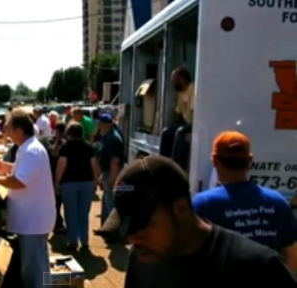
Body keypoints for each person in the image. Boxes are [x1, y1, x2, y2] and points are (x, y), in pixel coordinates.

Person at [115, 156, 297, 288]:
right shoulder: (143, 257)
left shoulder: (259, 269)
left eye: (143, 224)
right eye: (128, 228)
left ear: (180, 209)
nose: (133, 239)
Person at [193, 131, 297, 269]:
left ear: (214, 160)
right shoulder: (278, 202)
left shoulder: (202, 204)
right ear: (250, 160)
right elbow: (292, 254)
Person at [0, 108, 55, 288]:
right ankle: (50, 284)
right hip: (33, 219)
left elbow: (19, 181)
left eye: (8, 128)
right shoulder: (28, 148)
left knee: (33, 270)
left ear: (19, 130)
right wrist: (1, 166)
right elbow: (20, 169)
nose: (6, 132)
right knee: (38, 264)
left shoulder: (30, 150)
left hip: (32, 220)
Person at [55, 122, 99, 250]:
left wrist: (57, 182)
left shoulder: (65, 147)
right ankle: (84, 241)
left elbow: (61, 165)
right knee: (84, 213)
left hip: (69, 184)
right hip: (87, 183)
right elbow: (94, 165)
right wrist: (96, 181)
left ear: (68, 134)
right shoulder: (89, 147)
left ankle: (73, 241)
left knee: (70, 213)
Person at [159, 67, 194, 169]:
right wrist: (172, 127)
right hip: (185, 122)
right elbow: (178, 112)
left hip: (194, 122)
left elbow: (194, 112)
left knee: (180, 132)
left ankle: (176, 166)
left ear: (182, 79)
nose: (173, 84)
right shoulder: (181, 93)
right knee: (166, 132)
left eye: (174, 81)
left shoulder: (193, 88)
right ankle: (163, 164)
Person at [37, 122, 67, 234]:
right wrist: (57, 141)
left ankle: (58, 221)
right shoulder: (46, 141)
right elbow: (54, 153)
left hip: (62, 176)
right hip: (49, 175)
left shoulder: (66, 143)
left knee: (59, 201)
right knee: (55, 202)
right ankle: (57, 223)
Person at [97, 113, 125, 226]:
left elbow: (115, 161)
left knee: (111, 204)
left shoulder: (113, 138)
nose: (98, 126)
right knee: (105, 202)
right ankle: (104, 227)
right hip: (106, 174)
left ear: (104, 124)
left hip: (111, 174)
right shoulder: (107, 136)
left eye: (100, 123)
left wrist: (112, 181)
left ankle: (111, 230)